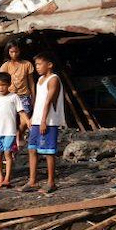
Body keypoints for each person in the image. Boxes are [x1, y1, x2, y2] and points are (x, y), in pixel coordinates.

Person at [24, 51, 66, 194]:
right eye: (36, 64)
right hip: (37, 119)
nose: (37, 67)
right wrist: (32, 117)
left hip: (49, 121)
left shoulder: (53, 79)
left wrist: (43, 121)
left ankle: (51, 182)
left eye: (40, 64)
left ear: (49, 65)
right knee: (32, 149)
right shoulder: (40, 80)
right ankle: (32, 181)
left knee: (49, 152)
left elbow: (48, 101)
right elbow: (39, 101)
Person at [0, 40, 35, 146]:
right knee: (10, 119)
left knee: (24, 120)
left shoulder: (27, 64)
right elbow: (1, 83)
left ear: (20, 51)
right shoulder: (5, 66)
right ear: (8, 52)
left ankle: (19, 134)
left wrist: (33, 97)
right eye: (11, 52)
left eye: (16, 51)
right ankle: (13, 139)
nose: (14, 54)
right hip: (10, 96)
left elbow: (31, 82)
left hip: (24, 95)